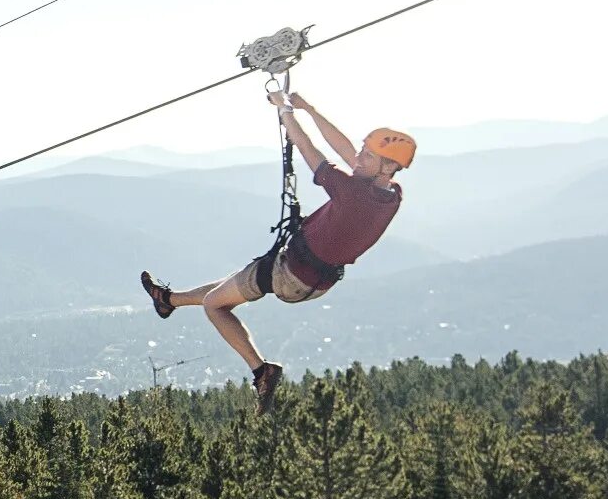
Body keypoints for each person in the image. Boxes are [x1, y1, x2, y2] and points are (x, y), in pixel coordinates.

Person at [139, 90, 413, 414]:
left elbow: (310, 151)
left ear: (388, 166)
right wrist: (309, 108)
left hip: (290, 275)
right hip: (312, 276)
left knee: (215, 305)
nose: (359, 158)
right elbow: (346, 150)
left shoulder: (354, 193)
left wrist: (285, 111)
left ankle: (260, 371)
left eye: (368, 157)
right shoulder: (390, 193)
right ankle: (167, 300)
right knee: (228, 287)